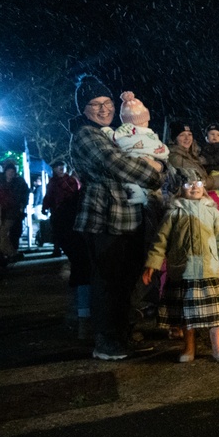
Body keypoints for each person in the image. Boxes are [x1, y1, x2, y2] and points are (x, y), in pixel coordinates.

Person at [70, 75, 163, 360]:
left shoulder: (112, 133)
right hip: (105, 217)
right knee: (107, 280)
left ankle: (122, 334)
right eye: (95, 104)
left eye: (107, 103)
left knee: (125, 281)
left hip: (128, 216)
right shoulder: (86, 134)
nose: (103, 109)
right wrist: (153, 171)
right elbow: (117, 163)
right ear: (83, 109)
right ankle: (106, 341)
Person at [142, 168, 219, 363]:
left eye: (198, 184)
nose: (194, 188)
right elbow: (161, 240)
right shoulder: (174, 213)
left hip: (210, 270)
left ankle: (218, 347)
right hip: (184, 270)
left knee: (216, 313)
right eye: (188, 184)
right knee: (187, 315)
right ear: (181, 189)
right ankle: (189, 348)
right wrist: (152, 264)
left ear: (203, 187)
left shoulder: (211, 211)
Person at [41, 160, 91, 334]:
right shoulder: (65, 191)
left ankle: (82, 321)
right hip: (77, 243)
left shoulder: (71, 188)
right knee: (84, 276)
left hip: (74, 241)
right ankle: (83, 322)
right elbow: (50, 198)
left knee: (83, 277)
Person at [100, 91, 170, 205]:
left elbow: (115, 138)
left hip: (136, 158)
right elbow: (159, 147)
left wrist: (107, 130)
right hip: (146, 161)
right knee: (153, 191)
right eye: (143, 120)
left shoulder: (126, 130)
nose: (145, 124)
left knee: (130, 180)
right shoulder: (137, 130)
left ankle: (138, 194)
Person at [0, 160, 30, 258]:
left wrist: (22, 206)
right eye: (9, 171)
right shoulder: (1, 181)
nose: (10, 174)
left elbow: (25, 194)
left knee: (6, 233)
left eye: (12, 172)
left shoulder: (19, 182)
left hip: (12, 212)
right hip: (2, 211)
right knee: (3, 234)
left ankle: (11, 253)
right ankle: (8, 253)